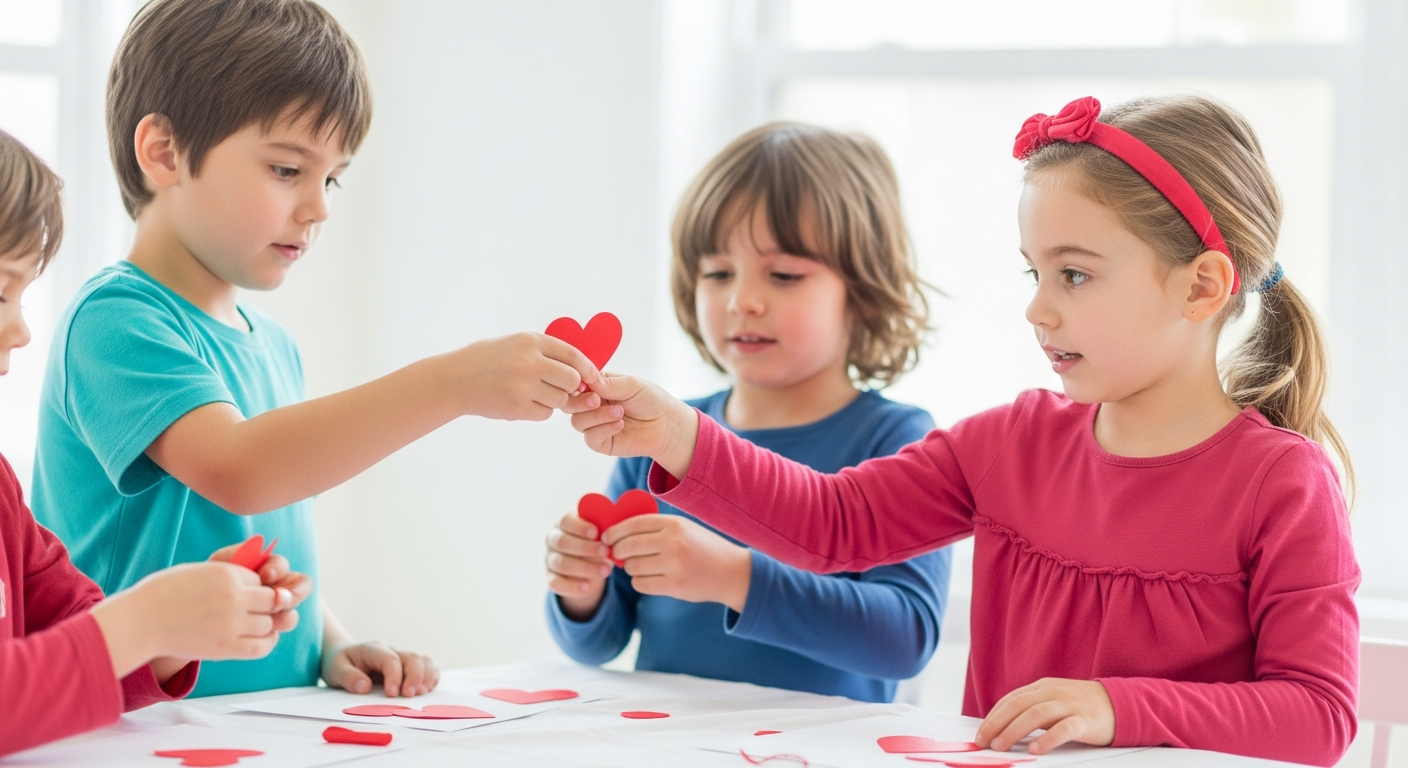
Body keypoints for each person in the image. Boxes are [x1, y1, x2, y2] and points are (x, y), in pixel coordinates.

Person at [564, 96, 1358, 766]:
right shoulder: (1008, 444)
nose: (1038, 309)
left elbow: (1318, 715)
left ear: (1202, 286)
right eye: (1033, 272)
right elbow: (830, 524)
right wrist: (675, 434)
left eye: (1074, 274)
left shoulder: (1281, 483)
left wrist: (1116, 709)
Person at [32, 0, 598, 698]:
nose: (321, 206)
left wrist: (330, 642)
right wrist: (453, 383)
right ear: (164, 152)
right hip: (130, 727)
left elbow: (267, 535)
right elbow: (242, 472)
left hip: (270, 717)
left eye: (331, 178)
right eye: (286, 170)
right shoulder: (116, 321)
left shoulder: (273, 346)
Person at [544, 124, 950, 703]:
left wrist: (734, 578)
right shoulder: (656, 434)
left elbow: (904, 639)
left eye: (783, 274)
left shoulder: (897, 440)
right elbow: (600, 643)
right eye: (717, 273)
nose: (741, 301)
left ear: (861, 291)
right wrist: (579, 592)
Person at [0, 128, 312, 756]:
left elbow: (70, 631)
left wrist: (175, 629)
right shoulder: (116, 314)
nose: (22, 329)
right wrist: (146, 620)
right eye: (0, 291)